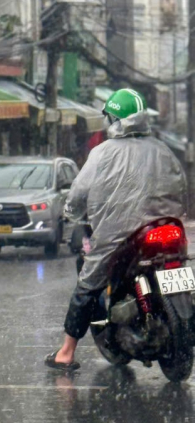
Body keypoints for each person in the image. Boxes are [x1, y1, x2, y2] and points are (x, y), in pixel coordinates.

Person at [44, 88, 186, 371]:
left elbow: (77, 196)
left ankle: (66, 353)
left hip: (118, 236)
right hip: (167, 229)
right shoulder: (163, 149)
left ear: (115, 120)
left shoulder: (102, 153)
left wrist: (71, 213)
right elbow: (181, 185)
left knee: (87, 284)